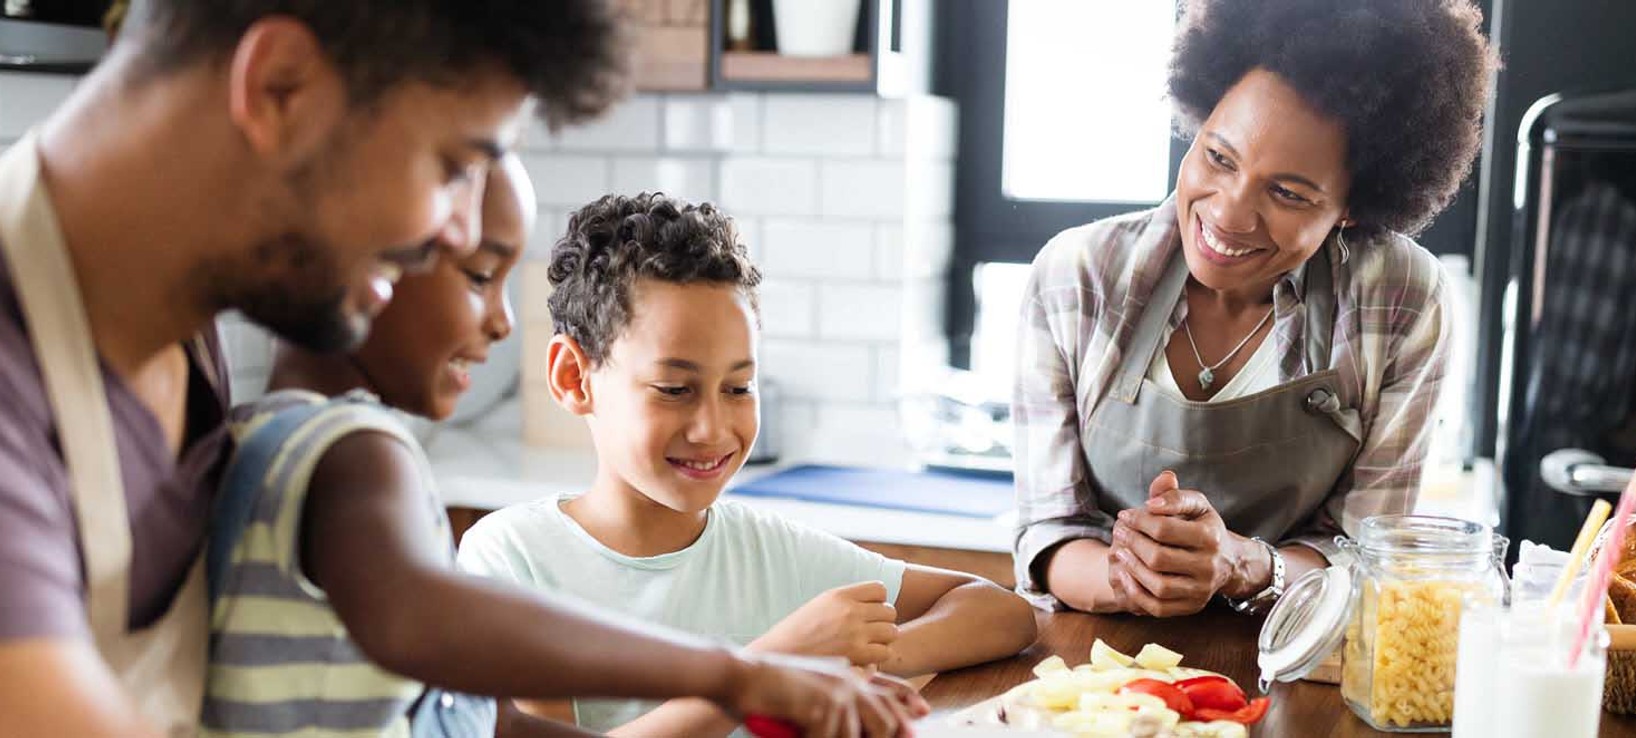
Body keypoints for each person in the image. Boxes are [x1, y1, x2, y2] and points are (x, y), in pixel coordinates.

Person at [0, 2, 918, 735]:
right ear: (280, 87)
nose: (452, 233)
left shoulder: (178, 335)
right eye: (452, 166)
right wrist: (732, 671)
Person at [207, 162, 924, 738]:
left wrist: (764, 684)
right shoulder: (352, 450)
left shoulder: (286, 437)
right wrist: (737, 675)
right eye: (480, 276)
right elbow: (424, 616)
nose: (500, 323)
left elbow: (492, 721)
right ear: (370, 266)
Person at [457, 191, 1038, 736]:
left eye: (738, 389)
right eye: (674, 388)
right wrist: (769, 667)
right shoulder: (513, 557)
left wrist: (859, 656)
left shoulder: (768, 552)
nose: (713, 428)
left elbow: (1002, 612)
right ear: (573, 378)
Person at [1012, 0, 1496, 617]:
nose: (1228, 214)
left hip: (1299, 670)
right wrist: (1140, 577)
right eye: (1218, 158)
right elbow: (1049, 533)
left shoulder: (1400, 295)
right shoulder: (1077, 274)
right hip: (1100, 677)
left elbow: (1368, 557)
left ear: (1353, 207)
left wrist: (1241, 566)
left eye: (1288, 193)